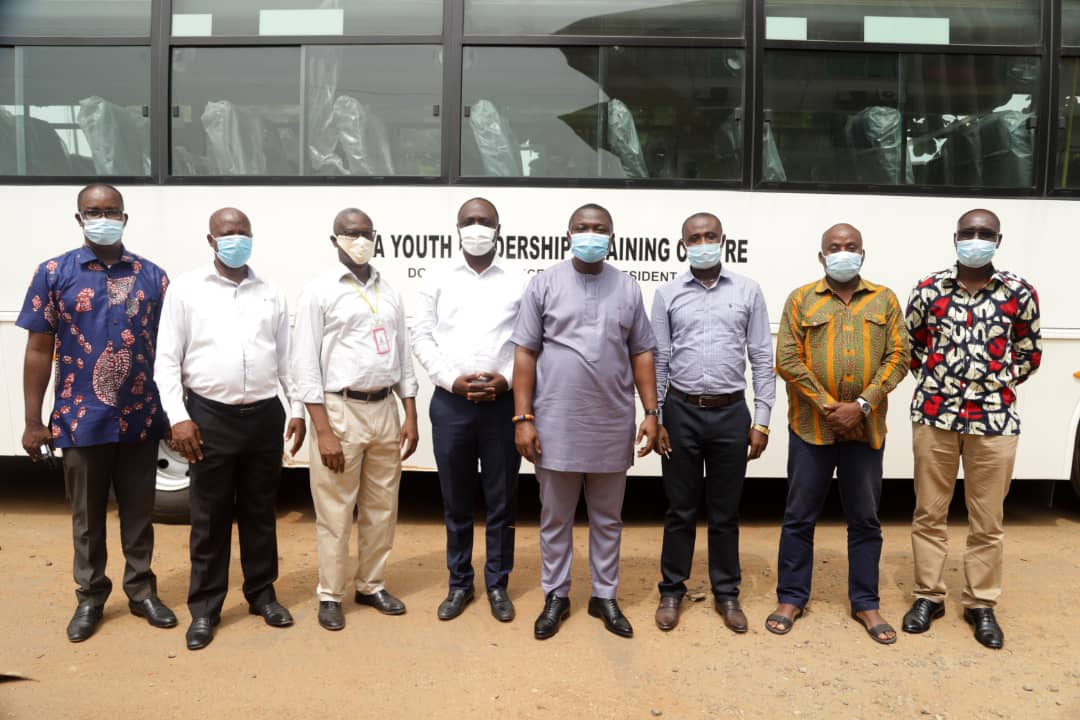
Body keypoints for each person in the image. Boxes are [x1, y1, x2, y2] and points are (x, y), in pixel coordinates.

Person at [17, 183, 176, 642]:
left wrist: (174, 412)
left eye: (111, 211)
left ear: (125, 218)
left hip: (141, 415)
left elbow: (169, 351)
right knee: (86, 518)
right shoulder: (54, 273)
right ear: (79, 217)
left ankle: (142, 590)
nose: (102, 217)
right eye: (93, 211)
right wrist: (33, 420)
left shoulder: (153, 277)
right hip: (79, 416)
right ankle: (90, 597)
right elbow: (38, 347)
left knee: (139, 512)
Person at [155, 208, 306, 650]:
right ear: (211, 240)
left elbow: (285, 359)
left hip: (263, 416)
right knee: (209, 516)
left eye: (243, 233)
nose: (236, 239)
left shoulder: (270, 292)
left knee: (261, 512)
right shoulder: (186, 290)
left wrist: (295, 407)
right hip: (208, 417)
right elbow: (167, 360)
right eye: (227, 233)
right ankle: (205, 608)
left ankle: (262, 595)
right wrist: (177, 417)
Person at [511, 203, 659, 640]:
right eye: (582, 227)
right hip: (555, 422)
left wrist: (652, 413)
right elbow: (525, 353)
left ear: (612, 237)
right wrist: (523, 417)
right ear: (568, 233)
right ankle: (556, 595)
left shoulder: (628, 288)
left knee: (607, 518)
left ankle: (604, 595)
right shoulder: (544, 284)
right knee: (555, 517)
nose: (590, 234)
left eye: (599, 229)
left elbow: (642, 353)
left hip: (611, 422)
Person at [902, 209, 1041, 650]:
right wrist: (942, 381)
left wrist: (991, 384)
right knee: (930, 512)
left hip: (995, 421)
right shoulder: (928, 289)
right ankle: (928, 596)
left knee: (988, 520)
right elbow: (911, 345)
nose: (975, 239)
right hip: (935, 418)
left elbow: (1029, 353)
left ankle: (981, 603)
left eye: (984, 234)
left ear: (998, 240)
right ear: (955, 237)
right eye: (968, 233)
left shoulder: (1019, 293)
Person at [767, 223, 909, 645]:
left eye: (850, 247)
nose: (842, 253)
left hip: (865, 432)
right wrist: (829, 406)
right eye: (834, 247)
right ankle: (791, 597)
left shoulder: (884, 299)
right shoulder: (801, 299)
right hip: (812, 428)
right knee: (798, 517)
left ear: (862, 254)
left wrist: (861, 406)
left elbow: (899, 356)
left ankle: (866, 602)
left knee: (864, 519)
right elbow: (787, 360)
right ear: (821, 256)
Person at [292, 207, 419, 631]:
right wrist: (322, 430)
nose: (359, 240)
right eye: (350, 233)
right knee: (335, 509)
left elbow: (403, 356)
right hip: (339, 410)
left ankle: (371, 584)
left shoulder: (390, 291)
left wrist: (410, 412)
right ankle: (330, 593)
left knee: (383, 507)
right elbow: (305, 364)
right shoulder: (319, 291)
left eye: (366, 233)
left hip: (384, 408)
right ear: (334, 241)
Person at [651, 212, 775, 633]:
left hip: (730, 413)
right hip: (681, 411)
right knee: (680, 509)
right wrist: (658, 415)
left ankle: (727, 594)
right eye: (694, 237)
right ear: (683, 244)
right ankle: (672, 590)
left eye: (710, 235)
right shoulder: (667, 295)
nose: (703, 242)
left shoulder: (748, 291)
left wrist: (762, 420)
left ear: (723, 239)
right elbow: (660, 359)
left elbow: (761, 357)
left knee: (725, 512)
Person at [411, 197, 526, 622]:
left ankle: (497, 584)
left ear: (500, 228)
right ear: (456, 229)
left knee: (502, 500)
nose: (477, 228)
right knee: (455, 500)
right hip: (451, 404)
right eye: (469, 221)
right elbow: (421, 335)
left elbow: (529, 339)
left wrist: (507, 379)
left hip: (502, 404)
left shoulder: (518, 279)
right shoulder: (437, 276)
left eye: (485, 222)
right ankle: (459, 583)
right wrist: (450, 380)